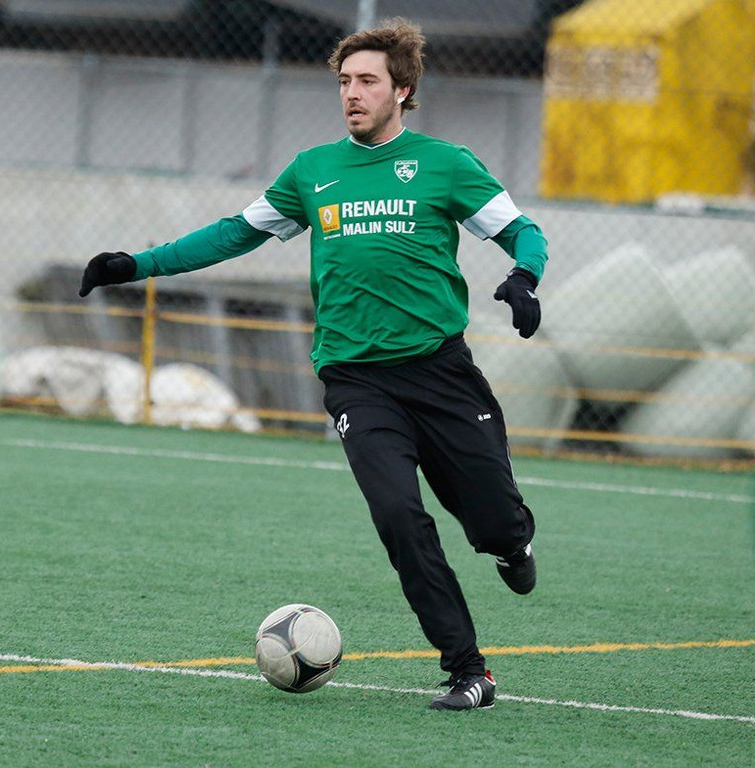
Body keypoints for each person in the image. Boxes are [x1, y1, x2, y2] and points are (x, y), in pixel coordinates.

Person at [80, 18, 547, 711]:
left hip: (441, 373)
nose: (351, 93)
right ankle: (468, 671)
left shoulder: (445, 163)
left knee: (492, 521)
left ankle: (512, 543)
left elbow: (521, 230)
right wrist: (137, 264)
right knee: (398, 517)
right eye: (344, 82)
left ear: (402, 89)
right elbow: (235, 233)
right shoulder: (313, 171)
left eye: (367, 81)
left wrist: (523, 278)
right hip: (357, 380)